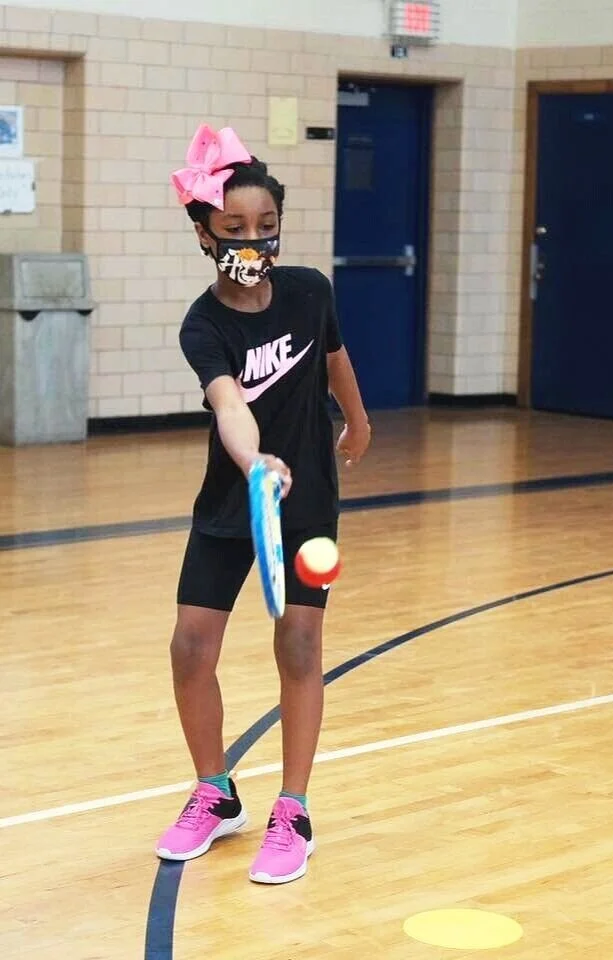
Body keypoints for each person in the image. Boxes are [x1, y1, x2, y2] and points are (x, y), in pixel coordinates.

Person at [155, 124, 371, 885]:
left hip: (308, 499)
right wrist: (253, 465)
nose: (253, 241)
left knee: (300, 645)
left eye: (266, 225)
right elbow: (229, 404)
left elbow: (335, 355)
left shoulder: (310, 291)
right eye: (235, 229)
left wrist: (359, 420)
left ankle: (294, 810)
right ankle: (215, 793)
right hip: (234, 497)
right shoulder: (204, 324)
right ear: (204, 235)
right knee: (190, 648)